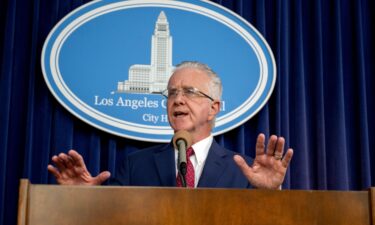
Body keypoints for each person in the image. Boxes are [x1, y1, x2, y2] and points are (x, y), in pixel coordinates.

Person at [48, 61, 293, 189]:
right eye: (172, 92)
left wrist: (270, 194)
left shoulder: (246, 170)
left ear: (214, 108)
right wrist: (82, 198)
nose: (178, 99)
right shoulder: (136, 165)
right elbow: (111, 216)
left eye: (190, 92)